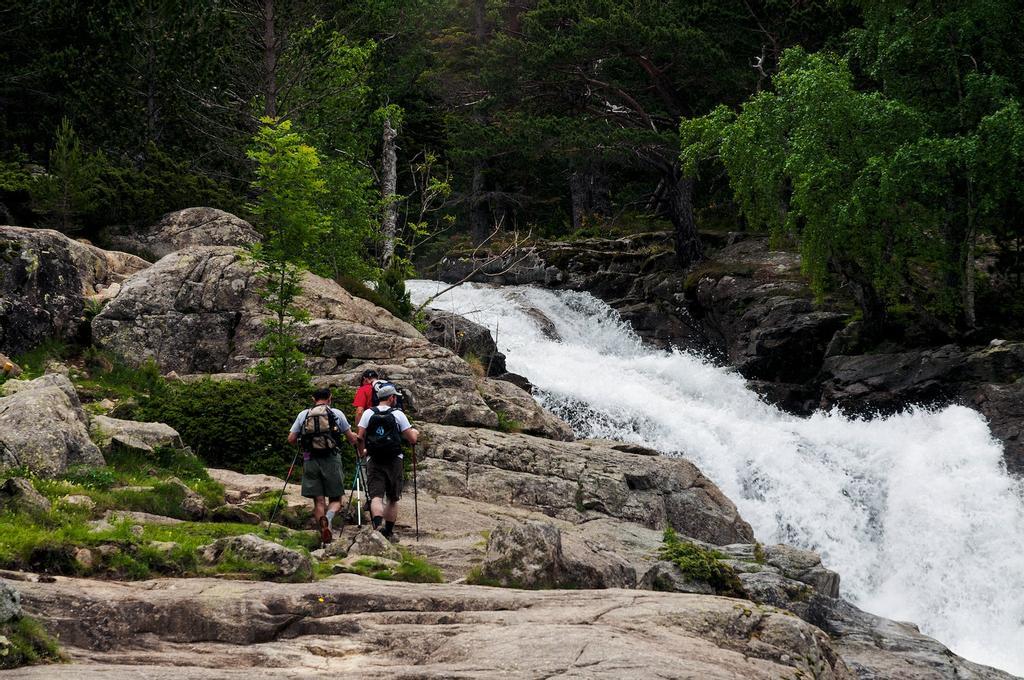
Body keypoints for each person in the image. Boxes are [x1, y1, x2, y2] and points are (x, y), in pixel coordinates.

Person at [288, 387, 359, 544]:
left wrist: (304, 441)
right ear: (330, 398)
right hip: (332, 459)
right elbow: (351, 439)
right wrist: (355, 436)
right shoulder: (336, 413)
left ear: (313, 399)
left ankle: (323, 534)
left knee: (318, 500)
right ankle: (328, 518)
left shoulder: (304, 414)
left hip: (310, 459)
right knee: (336, 499)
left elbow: (291, 439)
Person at [357, 382, 418, 541]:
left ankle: (377, 528)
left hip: (374, 457)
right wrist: (416, 433)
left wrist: (362, 452)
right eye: (395, 397)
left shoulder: (368, 413)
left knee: (376, 496)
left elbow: (360, 436)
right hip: (394, 458)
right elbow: (411, 438)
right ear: (391, 398)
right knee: (392, 497)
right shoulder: (398, 414)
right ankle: (389, 532)